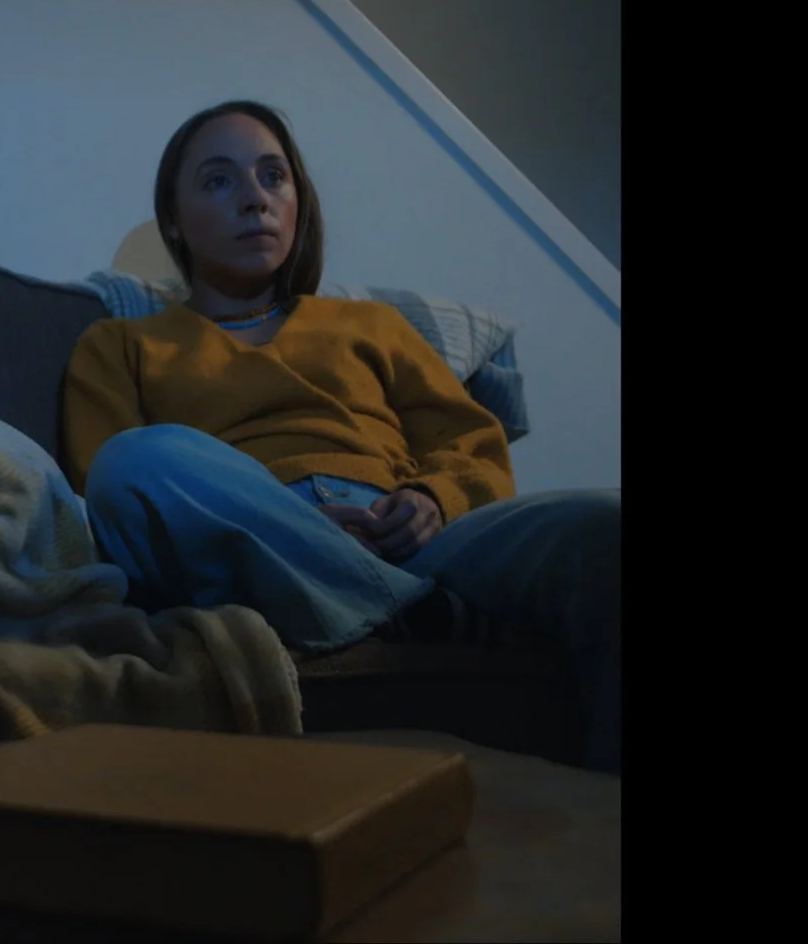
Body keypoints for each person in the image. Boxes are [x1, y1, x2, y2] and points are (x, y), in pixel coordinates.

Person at [60, 101, 620, 773]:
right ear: (173, 219)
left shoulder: (370, 324)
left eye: (274, 177)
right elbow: (100, 487)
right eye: (219, 180)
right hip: (260, 549)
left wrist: (433, 498)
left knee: (603, 525)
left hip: (417, 540)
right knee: (135, 459)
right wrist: (289, 526)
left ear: (298, 202)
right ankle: (409, 609)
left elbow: (474, 446)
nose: (255, 199)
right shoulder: (121, 343)